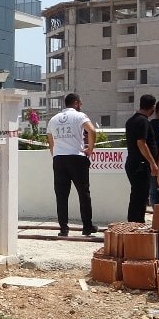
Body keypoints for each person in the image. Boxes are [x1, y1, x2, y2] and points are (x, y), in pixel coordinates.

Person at [46, 93, 98, 236]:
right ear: (75, 103)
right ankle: (87, 226)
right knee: (83, 193)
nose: (81, 105)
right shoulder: (79, 116)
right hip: (76, 157)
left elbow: (51, 141)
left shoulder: (53, 119)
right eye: (80, 103)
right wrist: (90, 148)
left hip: (59, 159)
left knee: (61, 195)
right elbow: (92, 130)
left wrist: (55, 156)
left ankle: (63, 229)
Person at [124, 94, 159, 222]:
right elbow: (141, 143)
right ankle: (136, 222)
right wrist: (152, 162)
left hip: (133, 163)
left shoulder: (131, 120)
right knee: (140, 196)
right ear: (153, 107)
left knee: (138, 195)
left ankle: (135, 222)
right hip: (141, 165)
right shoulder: (143, 121)